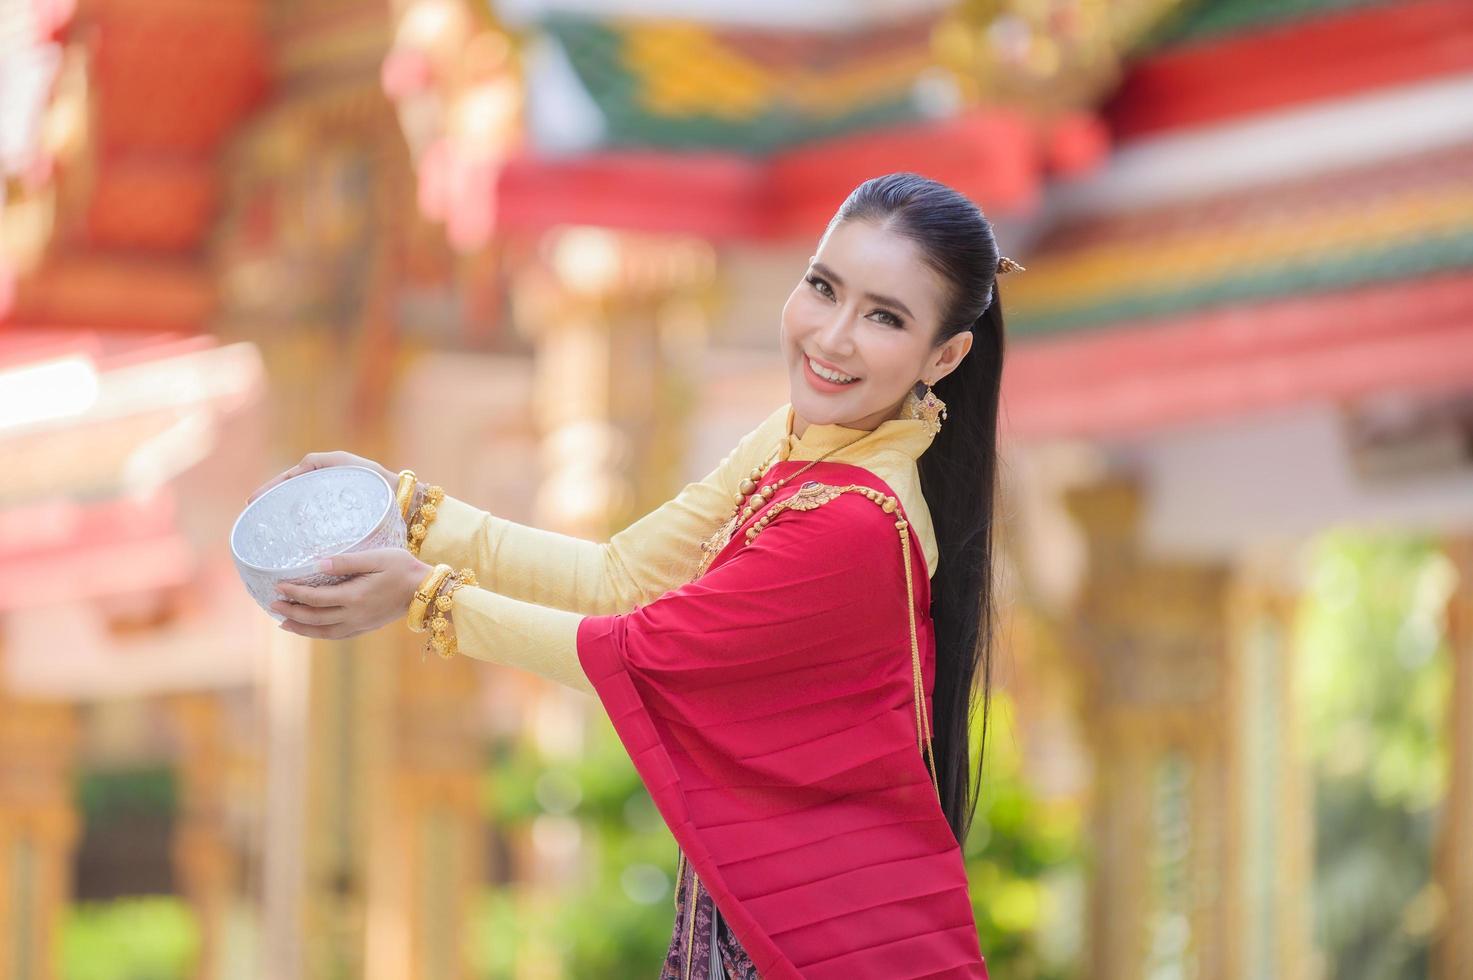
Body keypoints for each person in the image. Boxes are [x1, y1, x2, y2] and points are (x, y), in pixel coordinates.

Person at [246, 171, 1016, 979]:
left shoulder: (855, 524)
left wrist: (422, 596)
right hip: (779, 915)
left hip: (842, 939)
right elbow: (619, 577)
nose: (831, 337)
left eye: (883, 317)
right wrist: (411, 512)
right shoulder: (795, 440)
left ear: (946, 354)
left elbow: (639, 649)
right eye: (822, 288)